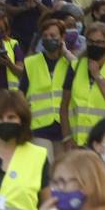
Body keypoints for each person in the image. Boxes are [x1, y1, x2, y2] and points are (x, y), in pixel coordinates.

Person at [60, 23, 105, 147]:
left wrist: (97, 76)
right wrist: (67, 137)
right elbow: (64, 105)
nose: (94, 45)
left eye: (99, 42)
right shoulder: (75, 66)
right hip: (78, 141)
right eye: (91, 42)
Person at [10, 13, 70, 143]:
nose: (48, 39)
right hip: (39, 126)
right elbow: (22, 92)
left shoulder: (69, 62)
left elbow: (81, 70)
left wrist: (66, 53)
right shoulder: (31, 62)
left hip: (65, 125)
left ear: (62, 37)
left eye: (53, 36)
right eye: (45, 36)